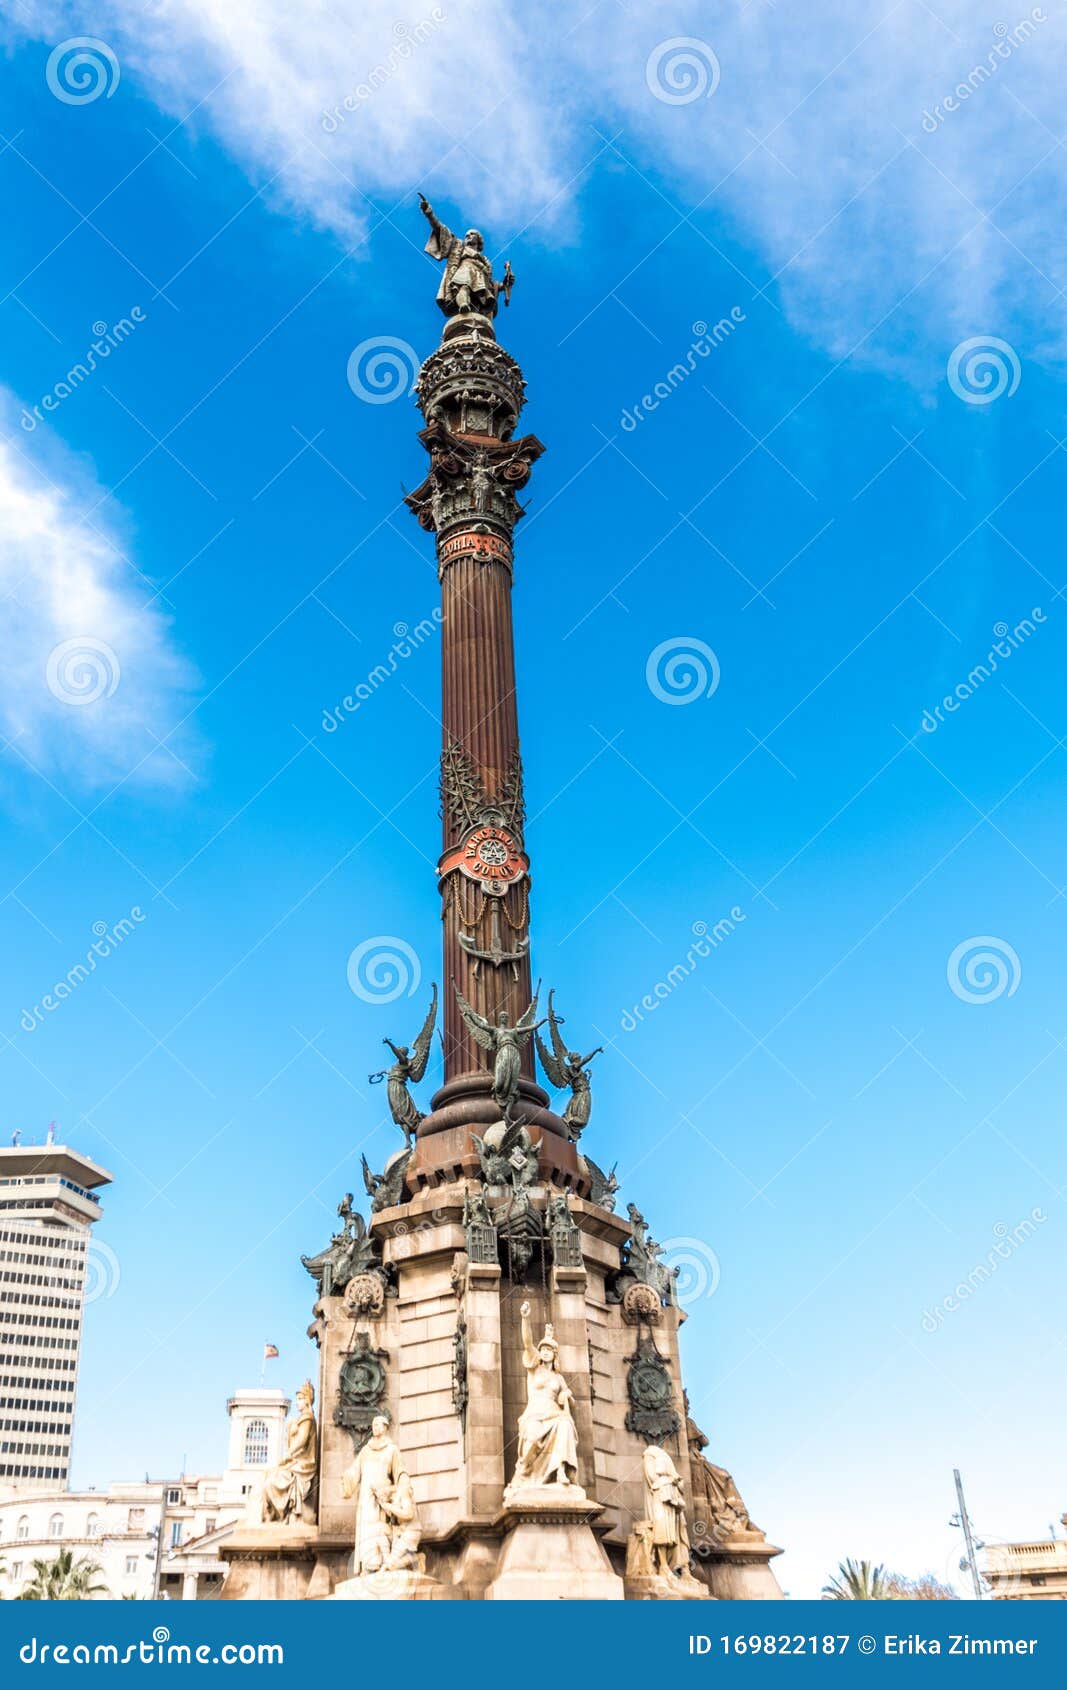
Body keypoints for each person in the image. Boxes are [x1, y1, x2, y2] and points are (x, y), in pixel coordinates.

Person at [505, 1301, 580, 1496]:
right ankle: (524, 1473)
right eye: (543, 1349)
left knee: (565, 1426)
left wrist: (567, 1396)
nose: (545, 1352)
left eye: (548, 1350)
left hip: (555, 1414)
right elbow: (528, 1343)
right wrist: (525, 1318)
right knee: (532, 1436)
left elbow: (572, 1402)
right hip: (535, 1413)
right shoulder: (534, 1368)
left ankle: (561, 1471)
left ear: (554, 1354)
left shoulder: (559, 1378)